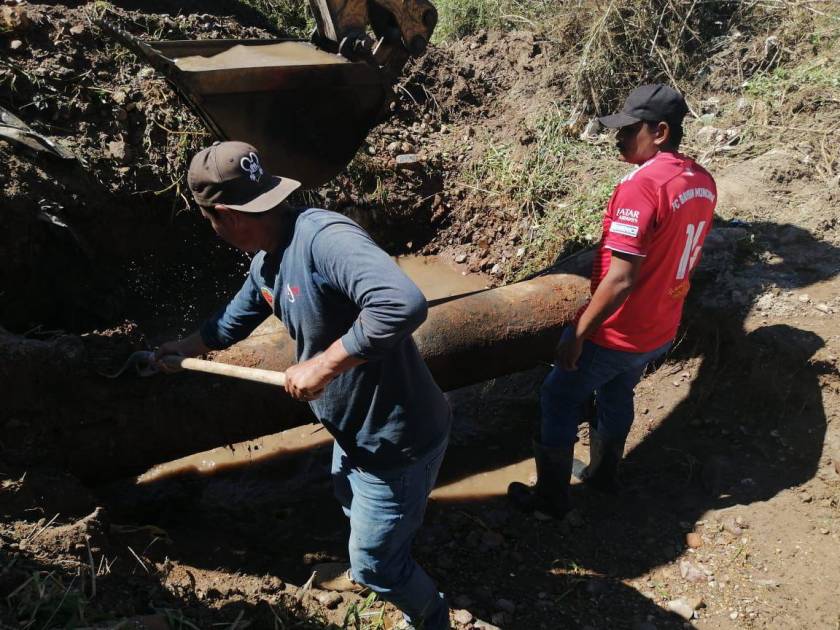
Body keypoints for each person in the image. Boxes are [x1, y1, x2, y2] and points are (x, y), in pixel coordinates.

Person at [156, 141, 452, 629]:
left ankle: (431, 616)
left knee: (376, 564)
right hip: (351, 429)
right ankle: (382, 559)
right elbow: (234, 318)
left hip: (398, 438)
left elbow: (402, 303)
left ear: (224, 214)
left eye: (210, 219)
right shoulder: (268, 261)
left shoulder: (323, 239)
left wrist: (325, 364)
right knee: (349, 501)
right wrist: (185, 347)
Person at [508, 84, 717, 518]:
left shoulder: (643, 187)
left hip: (620, 329)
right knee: (618, 389)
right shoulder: (700, 180)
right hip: (660, 325)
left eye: (629, 130)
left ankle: (549, 503)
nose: (617, 138)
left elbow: (621, 278)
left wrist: (579, 334)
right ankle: (604, 476)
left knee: (558, 398)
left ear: (660, 131)